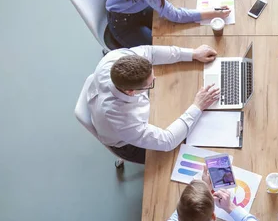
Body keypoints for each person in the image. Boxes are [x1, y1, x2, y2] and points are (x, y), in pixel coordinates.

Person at [87, 44, 220, 164]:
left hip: (130, 114)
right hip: (127, 144)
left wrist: (192, 53)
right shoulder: (123, 119)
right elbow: (168, 141)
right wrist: (197, 106)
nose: (155, 78)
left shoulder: (116, 58)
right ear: (131, 91)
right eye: (151, 84)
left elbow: (151, 52)